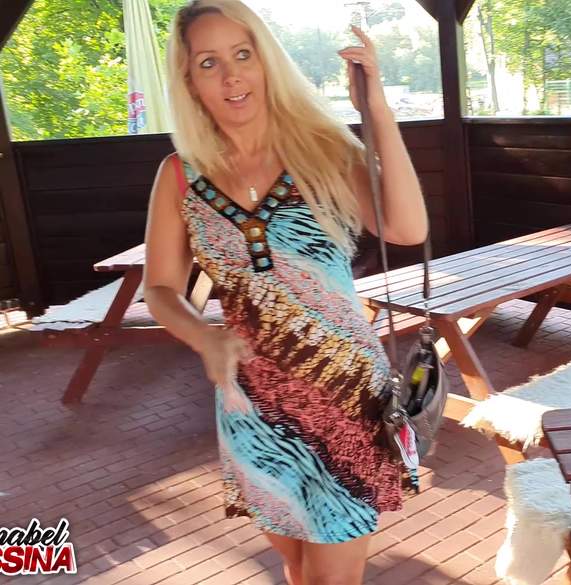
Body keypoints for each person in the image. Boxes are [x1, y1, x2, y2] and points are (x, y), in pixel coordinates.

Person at [142, 1, 429, 583]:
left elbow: (408, 227)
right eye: (209, 63)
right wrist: (204, 336)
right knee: (296, 565)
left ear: (266, 61)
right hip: (252, 408)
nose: (232, 76)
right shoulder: (179, 175)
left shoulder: (324, 150)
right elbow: (161, 288)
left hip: (345, 396)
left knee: (330, 578)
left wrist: (376, 111)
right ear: (190, 81)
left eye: (243, 55)